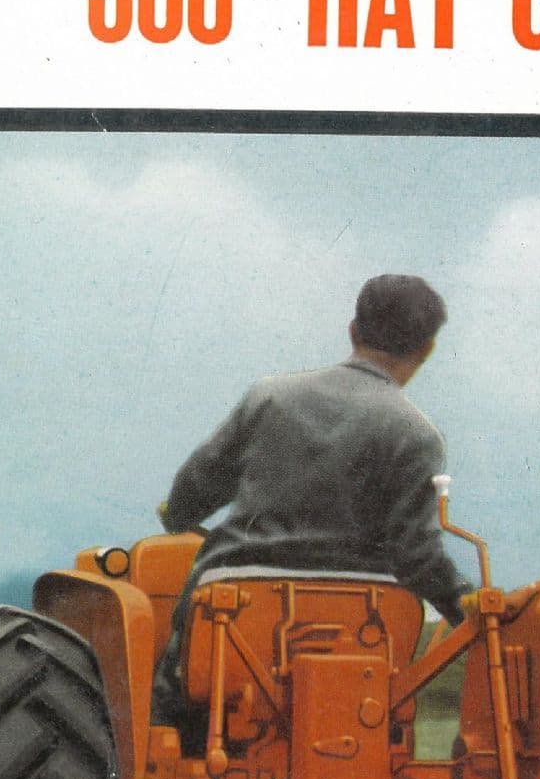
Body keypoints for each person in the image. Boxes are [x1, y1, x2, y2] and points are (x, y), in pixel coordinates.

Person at [151, 273, 467, 722]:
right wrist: (469, 607)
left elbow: (195, 488)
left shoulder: (268, 397)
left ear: (353, 330)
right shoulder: (418, 434)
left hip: (236, 610)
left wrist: (178, 515)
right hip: (364, 625)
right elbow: (417, 557)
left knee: (172, 703)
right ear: (427, 349)